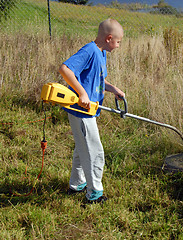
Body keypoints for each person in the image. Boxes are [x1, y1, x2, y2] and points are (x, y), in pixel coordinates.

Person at [58, 19, 125, 204]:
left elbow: (99, 81)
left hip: (89, 111)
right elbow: (65, 69)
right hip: (81, 111)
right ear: (109, 38)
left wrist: (114, 90)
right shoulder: (90, 51)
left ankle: (77, 184)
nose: (118, 46)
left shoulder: (102, 53)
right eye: (118, 42)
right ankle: (94, 193)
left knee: (82, 149)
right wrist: (81, 93)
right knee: (94, 152)